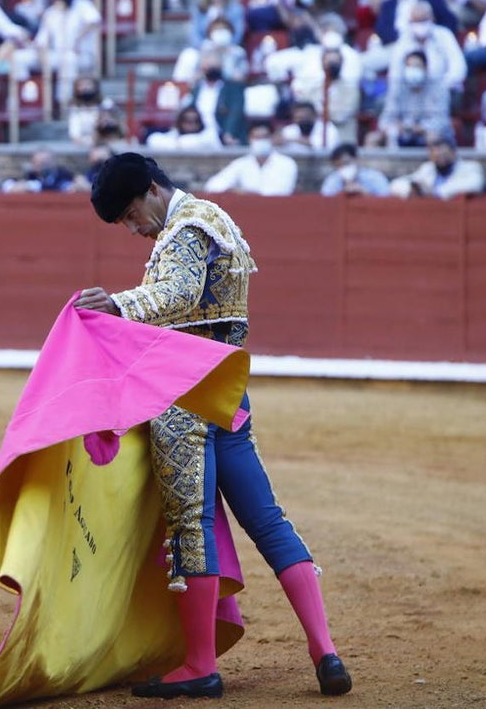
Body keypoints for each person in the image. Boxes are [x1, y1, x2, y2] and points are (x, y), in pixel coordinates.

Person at [75, 152, 352, 699]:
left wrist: (118, 305)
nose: (133, 229)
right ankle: (325, 651)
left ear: (153, 191)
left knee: (190, 526)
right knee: (268, 521)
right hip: (226, 392)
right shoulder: (211, 217)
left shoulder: (186, 229)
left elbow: (176, 294)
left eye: (131, 215)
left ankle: (200, 665)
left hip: (183, 396)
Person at [204, 121, 298, 195]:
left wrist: (246, 193)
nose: (260, 141)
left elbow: (281, 191)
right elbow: (212, 186)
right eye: (256, 137)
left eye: (264, 137)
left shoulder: (287, 163)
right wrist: (232, 190)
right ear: (250, 139)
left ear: (272, 138)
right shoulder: (241, 163)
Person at [389, 132, 484, 198]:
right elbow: (396, 184)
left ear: (453, 153)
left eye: (443, 154)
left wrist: (435, 192)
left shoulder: (470, 167)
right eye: (435, 155)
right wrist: (411, 189)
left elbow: (474, 185)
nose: (439, 158)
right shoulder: (427, 169)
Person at [320, 143, 392, 196]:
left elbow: (386, 201)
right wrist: (343, 193)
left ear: (357, 160)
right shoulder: (333, 180)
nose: (343, 168)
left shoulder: (375, 177)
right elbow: (325, 201)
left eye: (346, 163)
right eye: (338, 166)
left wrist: (363, 192)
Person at [145, 105, 222, 151]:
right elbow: (152, 140)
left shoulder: (208, 136)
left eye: (196, 121)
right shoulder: (174, 134)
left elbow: (202, 141)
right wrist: (177, 144)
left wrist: (178, 144)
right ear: (180, 122)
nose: (192, 124)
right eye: (188, 121)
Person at [0, 148, 76, 192]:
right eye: (38, 163)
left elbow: (74, 185)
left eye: (45, 163)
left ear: (53, 162)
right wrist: (23, 186)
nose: (42, 167)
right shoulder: (30, 176)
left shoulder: (63, 175)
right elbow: (5, 185)